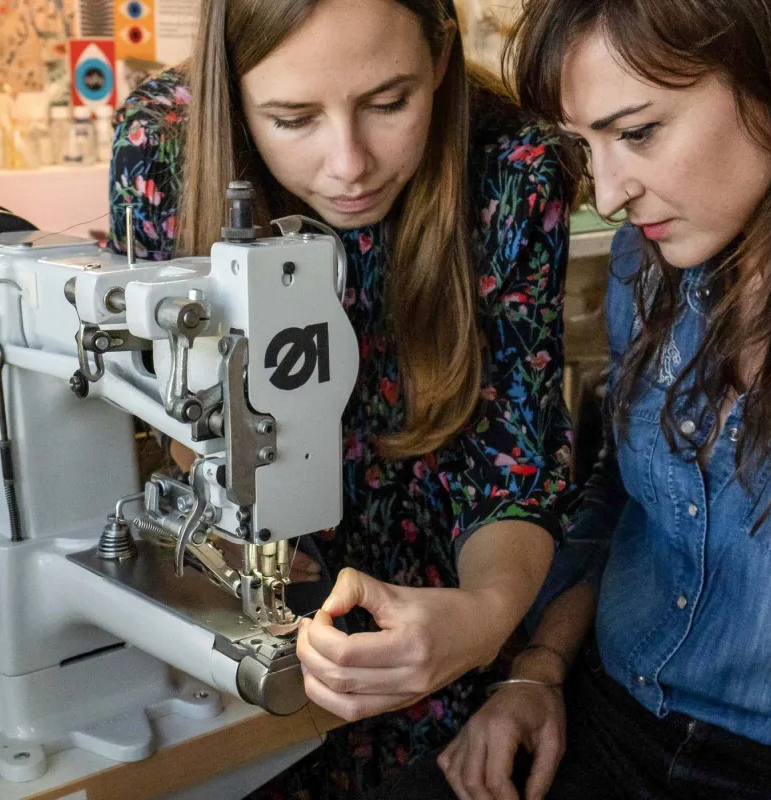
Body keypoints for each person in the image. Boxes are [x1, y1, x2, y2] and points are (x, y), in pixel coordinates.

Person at [430, 0, 771, 798]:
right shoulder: (653, 258)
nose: (609, 191)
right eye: (583, 144)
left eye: (636, 133)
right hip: (610, 712)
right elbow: (624, 501)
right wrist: (534, 674)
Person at [107, 0, 575, 795]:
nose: (349, 164)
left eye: (390, 103)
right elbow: (186, 405)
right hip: (263, 628)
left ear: (440, 55)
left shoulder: (514, 168)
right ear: (232, 90)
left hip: (448, 640)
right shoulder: (163, 149)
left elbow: (513, 461)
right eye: (292, 118)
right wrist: (255, 535)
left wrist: (485, 616)